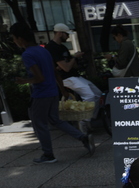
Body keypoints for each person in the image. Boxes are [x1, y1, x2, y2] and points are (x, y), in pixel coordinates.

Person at [9, 22, 95, 164]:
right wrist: (62, 91)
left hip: (40, 94)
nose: (14, 41)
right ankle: (83, 137)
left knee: (39, 124)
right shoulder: (43, 50)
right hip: (53, 92)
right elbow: (55, 73)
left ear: (21, 38)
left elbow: (39, 78)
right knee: (55, 120)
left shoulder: (28, 54)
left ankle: (48, 155)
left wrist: (23, 81)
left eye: (14, 38)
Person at [45, 23, 101, 118]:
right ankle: (83, 120)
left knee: (98, 94)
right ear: (59, 33)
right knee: (90, 95)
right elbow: (66, 68)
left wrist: (75, 59)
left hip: (73, 76)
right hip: (65, 78)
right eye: (66, 34)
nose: (68, 36)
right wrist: (74, 57)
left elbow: (71, 66)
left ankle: (89, 118)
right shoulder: (51, 48)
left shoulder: (63, 47)